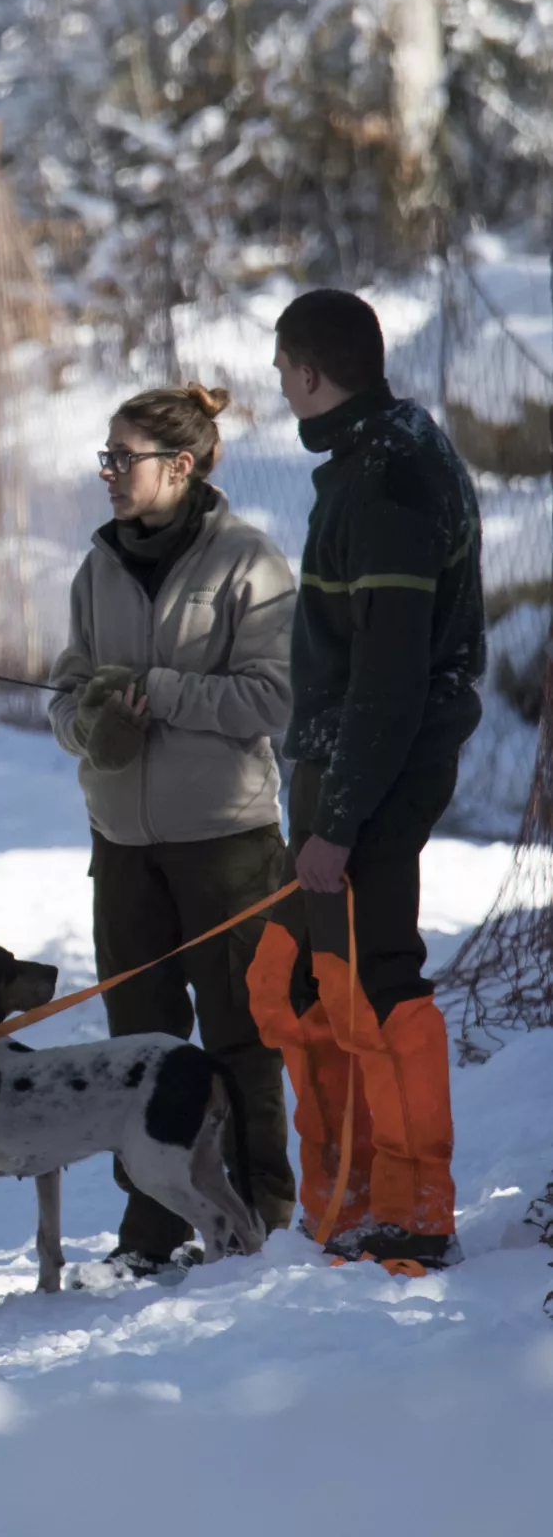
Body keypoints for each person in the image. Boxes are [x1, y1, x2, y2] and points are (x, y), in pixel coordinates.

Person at [245, 289, 484, 1271]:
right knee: (322, 982)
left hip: (376, 774)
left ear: (309, 372)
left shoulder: (386, 479)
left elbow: (389, 675)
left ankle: (415, 1207)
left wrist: (337, 820)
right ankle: (350, 1198)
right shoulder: (375, 454)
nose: (278, 386)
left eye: (280, 370)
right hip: (351, 767)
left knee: (380, 985)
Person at [47, 383, 299, 1276]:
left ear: (180, 467)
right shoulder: (98, 566)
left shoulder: (249, 562)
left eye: (126, 459)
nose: (110, 475)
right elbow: (66, 686)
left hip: (226, 842)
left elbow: (276, 697)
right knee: (138, 1047)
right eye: (106, 458)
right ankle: (151, 1233)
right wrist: (87, 721)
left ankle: (260, 1215)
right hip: (121, 845)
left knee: (240, 1036)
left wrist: (161, 692)